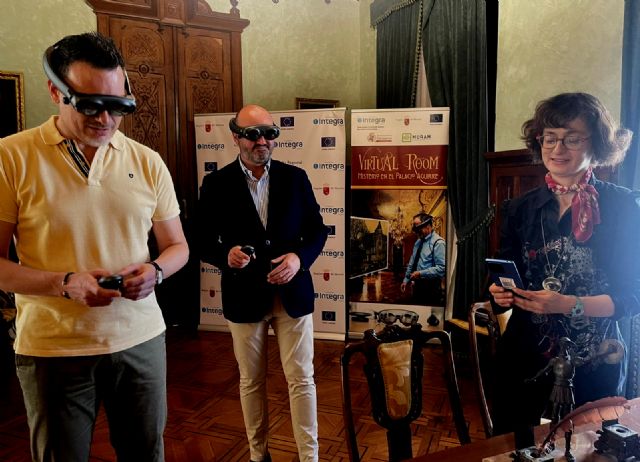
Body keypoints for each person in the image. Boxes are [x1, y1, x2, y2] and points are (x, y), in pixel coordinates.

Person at [0, 32, 189, 461]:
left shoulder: (147, 161)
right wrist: (64, 284)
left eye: (118, 105)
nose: (106, 119)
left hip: (141, 338)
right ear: (55, 92)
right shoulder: (10, 157)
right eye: (89, 105)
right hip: (53, 347)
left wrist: (157, 271)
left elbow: (177, 245)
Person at [488, 92, 640, 448]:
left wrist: (568, 304)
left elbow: (632, 295)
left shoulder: (622, 206)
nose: (558, 148)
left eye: (572, 138)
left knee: (588, 449)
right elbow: (505, 273)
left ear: (596, 143)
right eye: (550, 138)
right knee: (514, 445)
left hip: (596, 357)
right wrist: (499, 293)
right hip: (525, 355)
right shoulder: (519, 208)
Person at [197, 105, 328, 462]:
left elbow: (317, 231)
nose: (262, 141)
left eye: (269, 133)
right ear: (235, 136)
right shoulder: (216, 184)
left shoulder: (296, 178)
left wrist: (299, 258)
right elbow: (201, 239)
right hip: (244, 296)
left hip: (293, 295)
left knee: (301, 379)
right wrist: (225, 255)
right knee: (251, 380)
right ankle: (259, 455)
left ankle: (309, 458)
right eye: (253, 134)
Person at [400, 212, 446, 305]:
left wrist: (420, 273)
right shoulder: (418, 242)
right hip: (417, 285)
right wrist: (406, 280)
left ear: (428, 226)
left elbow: (442, 268)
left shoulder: (438, 243)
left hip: (431, 288)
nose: (416, 232)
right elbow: (412, 262)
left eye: (419, 228)